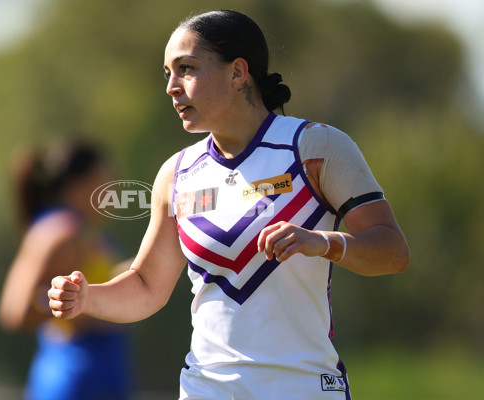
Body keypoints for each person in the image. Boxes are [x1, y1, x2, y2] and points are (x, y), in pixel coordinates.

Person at [48, 9, 410, 400]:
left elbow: (392, 251)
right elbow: (147, 285)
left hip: (304, 388)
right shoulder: (177, 173)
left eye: (186, 68)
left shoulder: (315, 147)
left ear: (238, 72)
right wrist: (88, 297)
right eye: (167, 72)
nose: (171, 86)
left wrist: (323, 242)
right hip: (206, 389)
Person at [0, 139, 134, 400]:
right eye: (106, 180)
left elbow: (92, 285)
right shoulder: (59, 234)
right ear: (78, 184)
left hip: (103, 379)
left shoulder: (89, 234)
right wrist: (84, 309)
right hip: (71, 379)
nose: (114, 190)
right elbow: (15, 312)